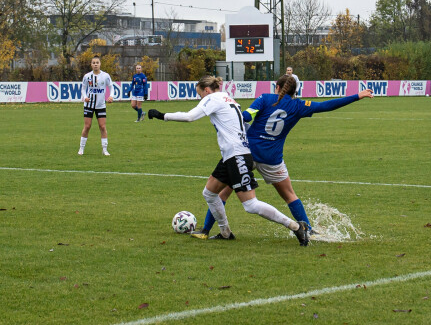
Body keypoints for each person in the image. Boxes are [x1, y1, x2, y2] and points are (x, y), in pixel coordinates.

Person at [192, 74, 374, 240]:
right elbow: (326, 105)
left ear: (277, 87)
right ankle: (308, 230)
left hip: (248, 151)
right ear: (295, 91)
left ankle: (206, 230)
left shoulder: (265, 98)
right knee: (289, 195)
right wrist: (357, 96)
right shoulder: (299, 105)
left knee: (223, 191)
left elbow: (245, 116)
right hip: (272, 158)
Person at [148, 75, 310, 246]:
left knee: (250, 205)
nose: (201, 98)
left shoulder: (212, 98)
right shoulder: (228, 98)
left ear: (207, 90)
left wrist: (161, 115)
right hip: (232, 155)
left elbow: (190, 116)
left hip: (237, 155)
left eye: (200, 94)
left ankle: (295, 226)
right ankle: (225, 232)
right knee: (209, 193)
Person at [78, 55, 114, 156]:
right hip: (89, 105)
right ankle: (81, 148)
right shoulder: (87, 76)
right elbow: (83, 88)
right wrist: (85, 97)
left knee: (102, 127)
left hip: (101, 105)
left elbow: (111, 87)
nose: (95, 64)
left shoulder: (105, 76)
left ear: (100, 64)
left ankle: (105, 149)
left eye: (97, 63)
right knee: (87, 126)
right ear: (91, 64)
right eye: (93, 63)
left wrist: (111, 96)